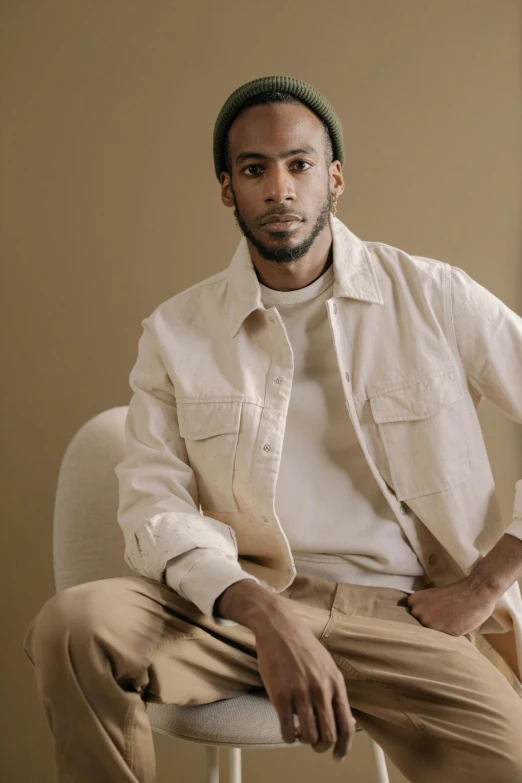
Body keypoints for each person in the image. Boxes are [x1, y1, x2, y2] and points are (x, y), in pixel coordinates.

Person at [23, 75, 522, 783]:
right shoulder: (176, 333)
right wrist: (261, 610)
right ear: (228, 188)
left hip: (407, 614)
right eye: (254, 169)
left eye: (300, 164)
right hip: (234, 610)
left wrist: (487, 582)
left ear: (335, 177)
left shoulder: (432, 295)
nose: (279, 189)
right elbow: (153, 506)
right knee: (72, 625)